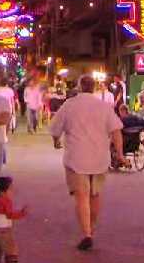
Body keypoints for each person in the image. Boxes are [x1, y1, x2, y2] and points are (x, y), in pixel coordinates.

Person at [49, 75, 123, 251]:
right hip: (99, 158)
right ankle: (92, 228)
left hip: (76, 158)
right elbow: (116, 132)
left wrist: (56, 141)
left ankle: (87, 233)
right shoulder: (103, 107)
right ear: (94, 87)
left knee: (82, 196)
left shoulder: (69, 105)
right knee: (95, 195)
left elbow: (55, 128)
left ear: (80, 87)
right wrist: (120, 154)